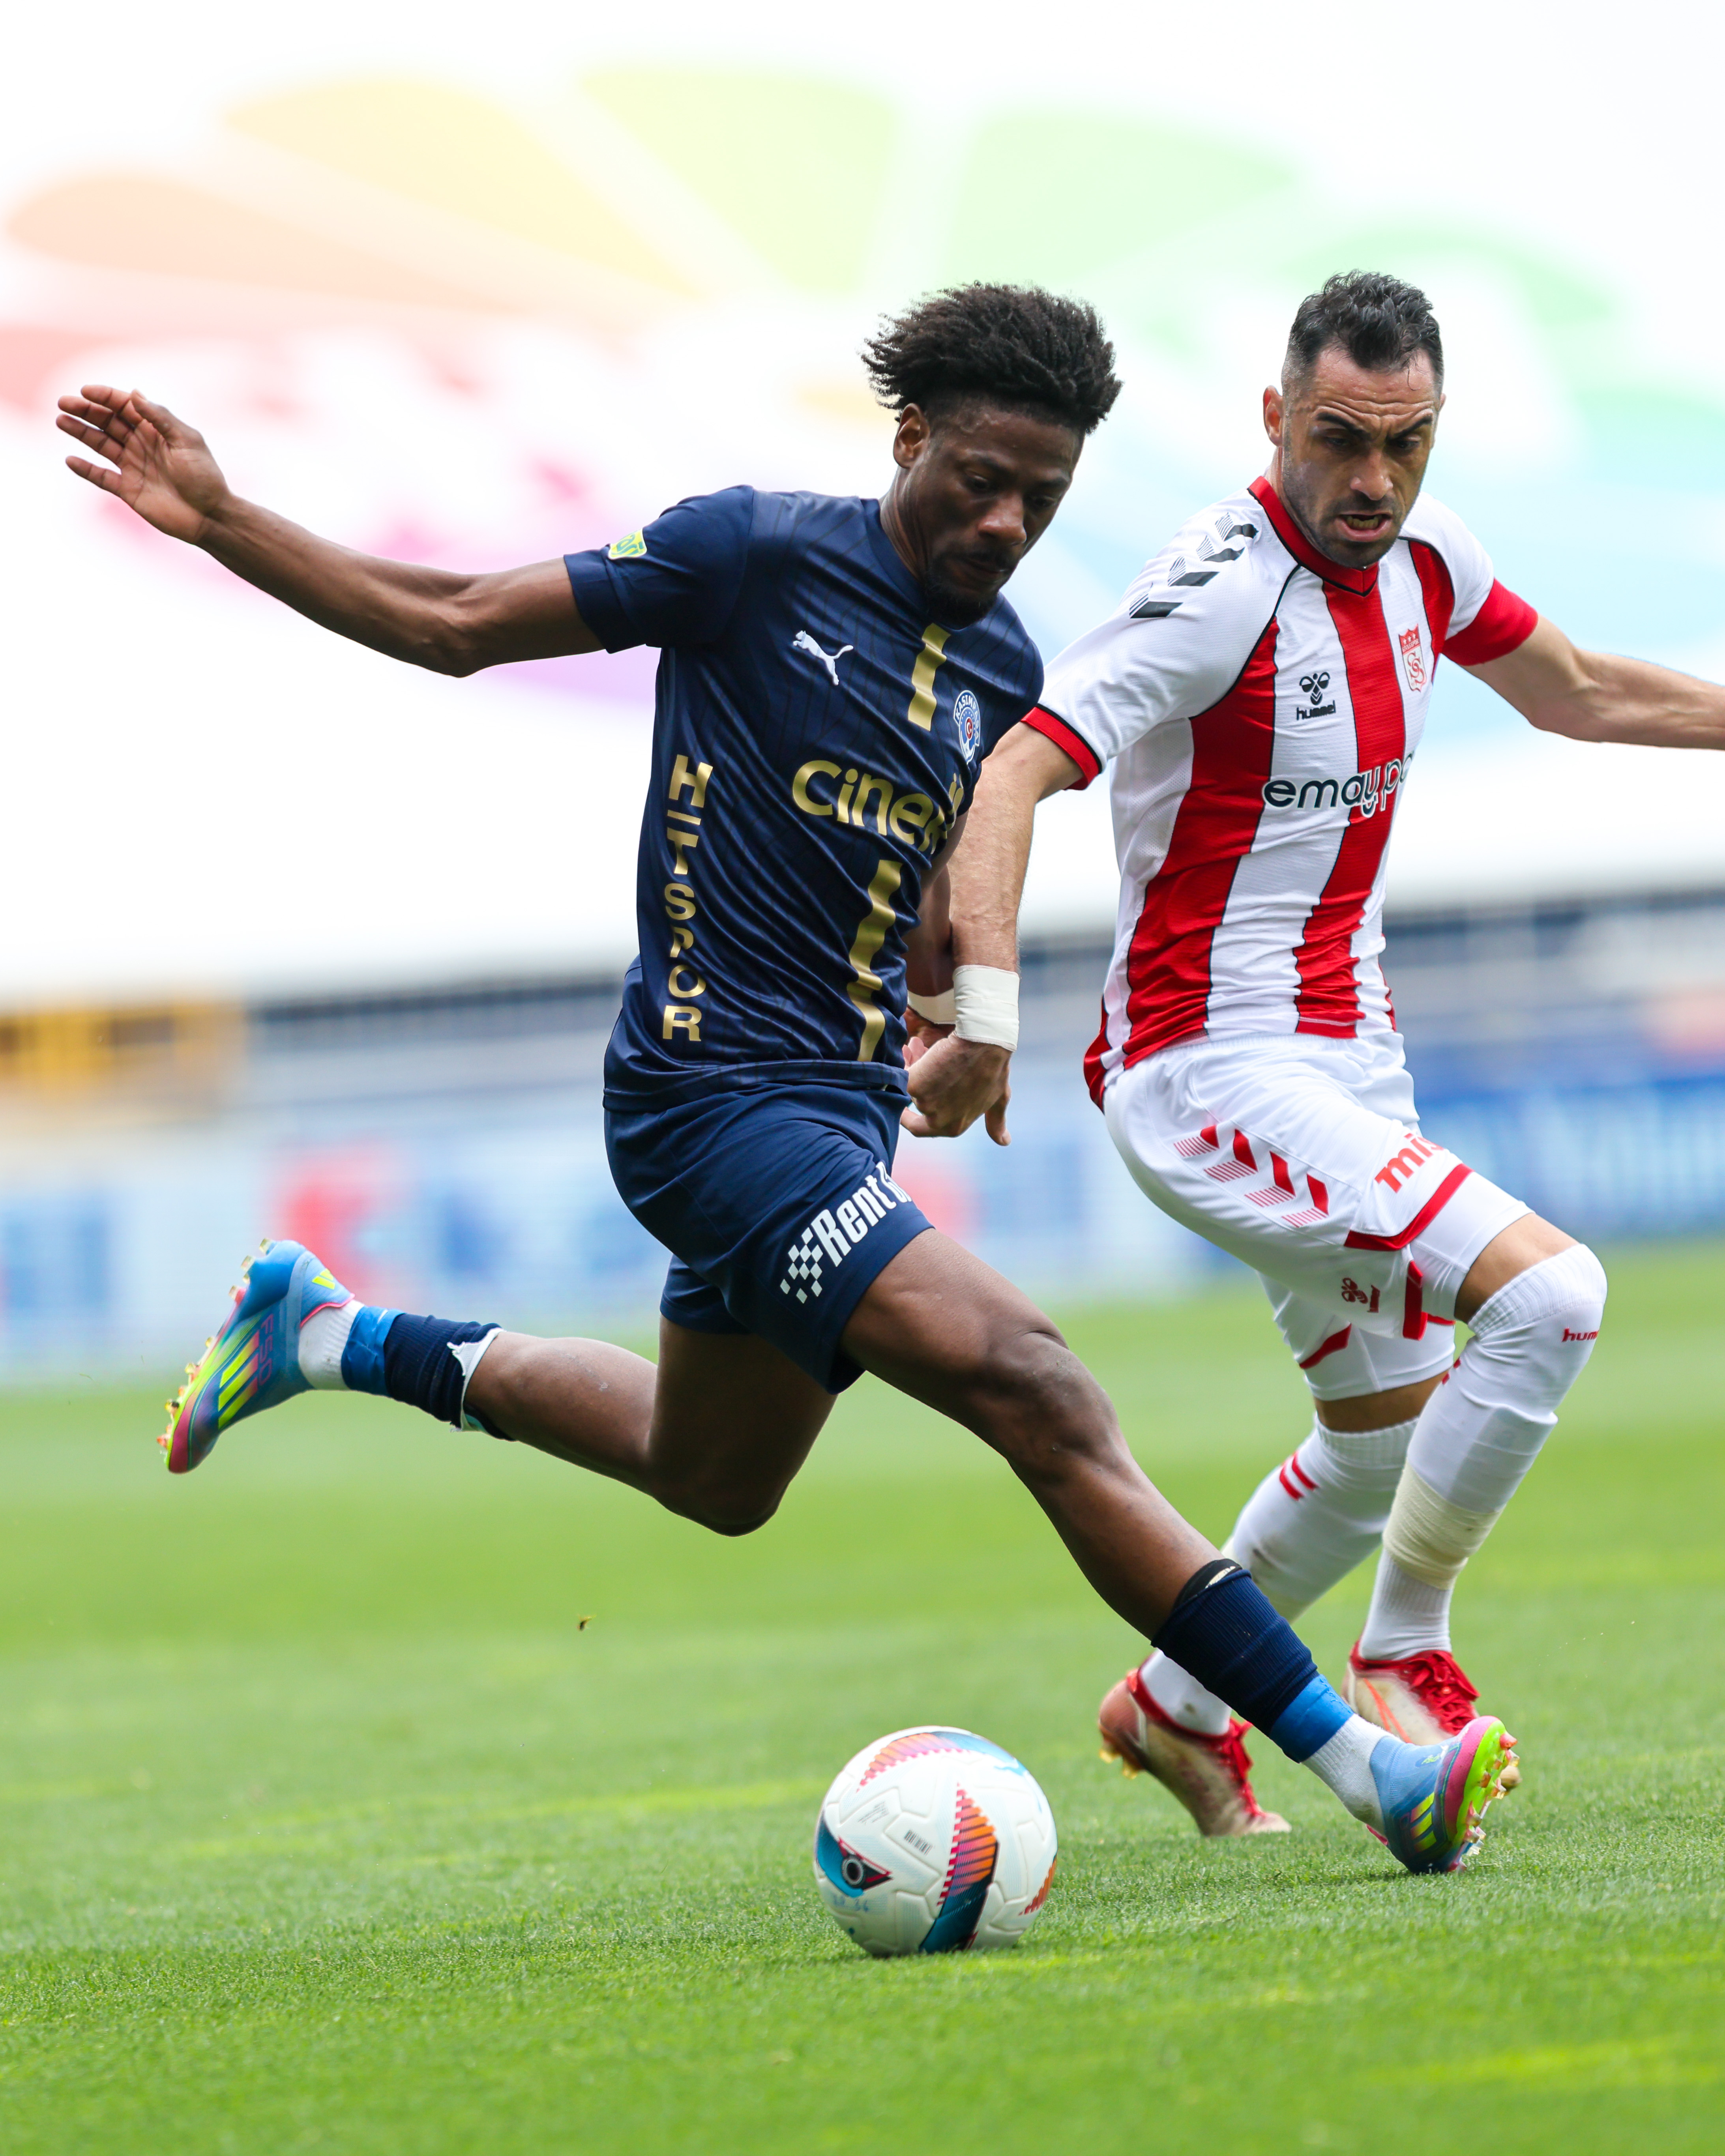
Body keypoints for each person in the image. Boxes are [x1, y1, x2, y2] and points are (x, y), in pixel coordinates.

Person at [58, 283, 1515, 1875]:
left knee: (710, 1474)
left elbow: (915, 906)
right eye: (980, 479)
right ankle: (1368, 1768)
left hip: (837, 1121)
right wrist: (222, 519)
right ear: (909, 438)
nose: (1004, 520)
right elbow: (456, 620)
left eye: (1040, 496)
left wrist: (953, 1017)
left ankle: (326, 1332)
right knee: (1036, 1387)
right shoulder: (747, 554)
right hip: (703, 1103)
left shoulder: (998, 662)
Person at [920, 268, 1725, 1839]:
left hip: (1349, 1058)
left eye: (1404, 444)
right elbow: (1013, 771)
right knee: (1551, 1296)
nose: (1372, 479)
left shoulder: (1429, 553)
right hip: (1208, 1070)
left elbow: (1574, 691)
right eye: (1340, 440)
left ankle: (1173, 1706)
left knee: (1377, 1447)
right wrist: (985, 1014)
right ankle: (1402, 1651)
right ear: (1274, 417)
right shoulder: (1216, 590)